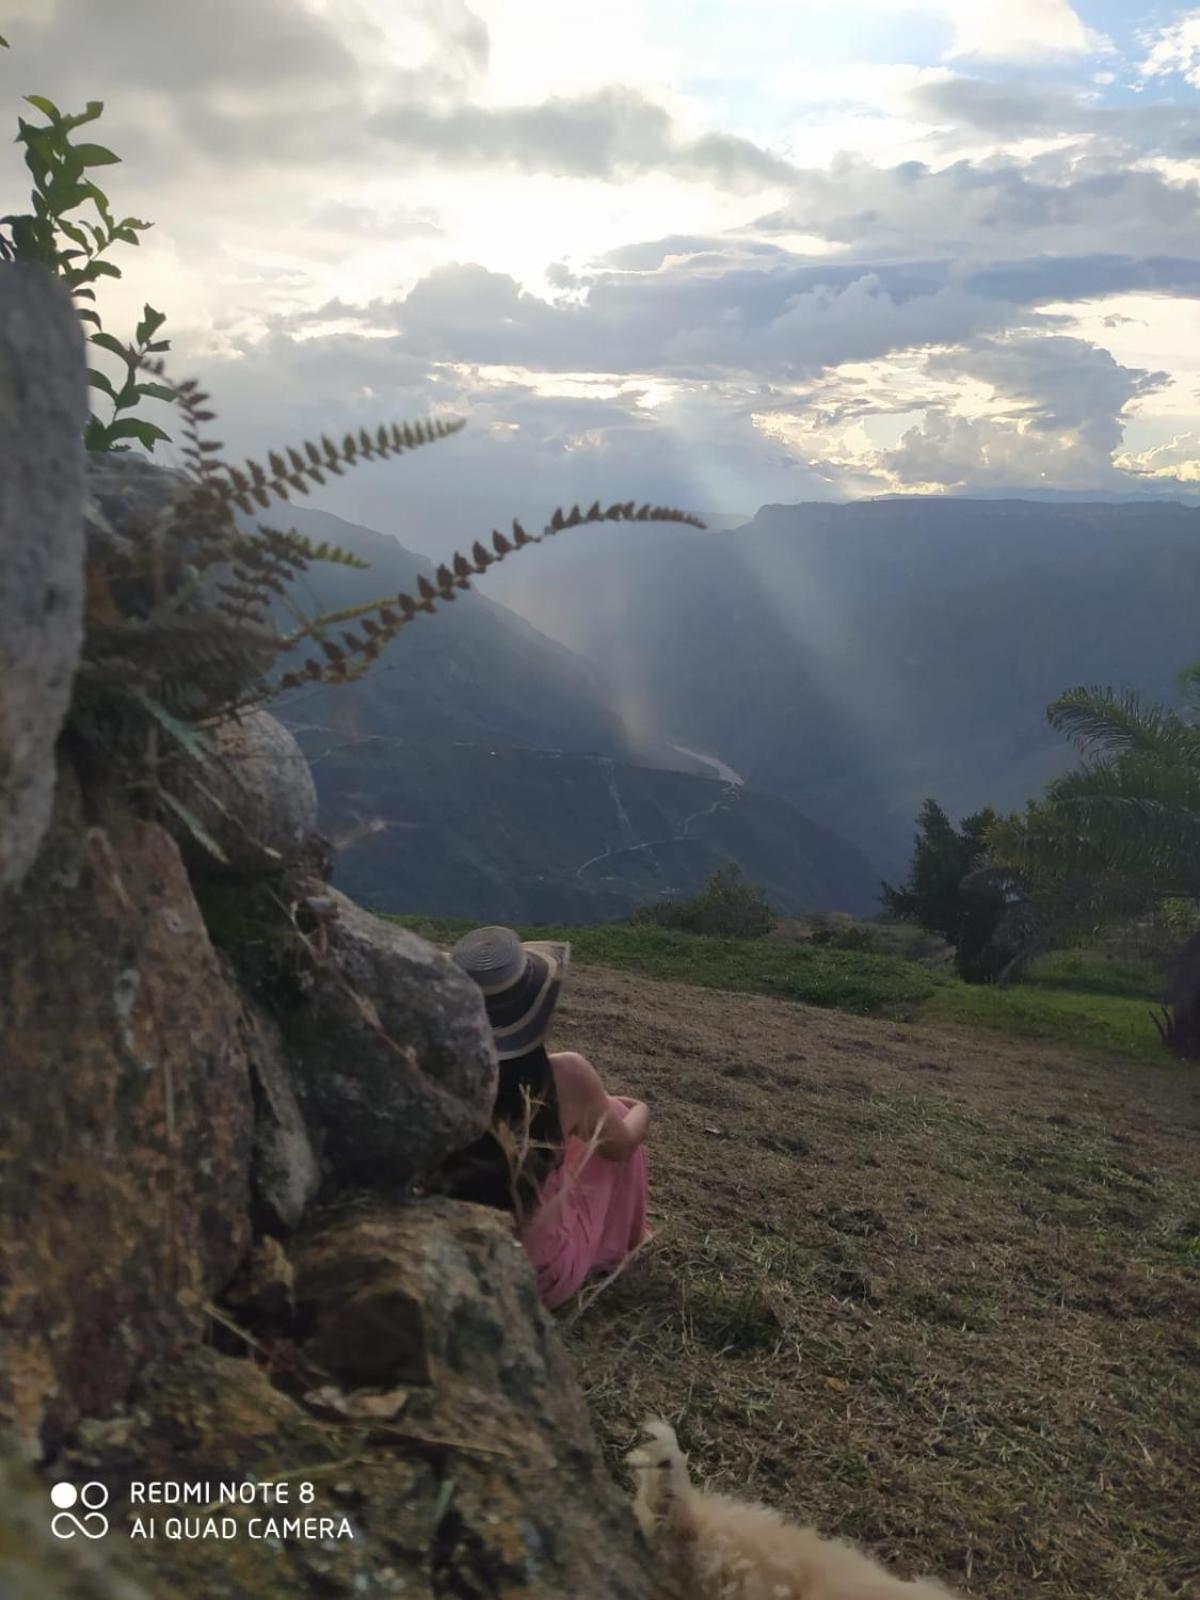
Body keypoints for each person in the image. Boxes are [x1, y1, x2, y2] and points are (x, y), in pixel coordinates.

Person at [445, 924, 651, 1310]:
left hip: (442, 1263)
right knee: (617, 1118)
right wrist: (642, 1108)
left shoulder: (430, 1072)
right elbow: (622, 1145)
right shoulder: (567, 1076)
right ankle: (621, 1249)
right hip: (533, 1278)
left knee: (594, 1119)